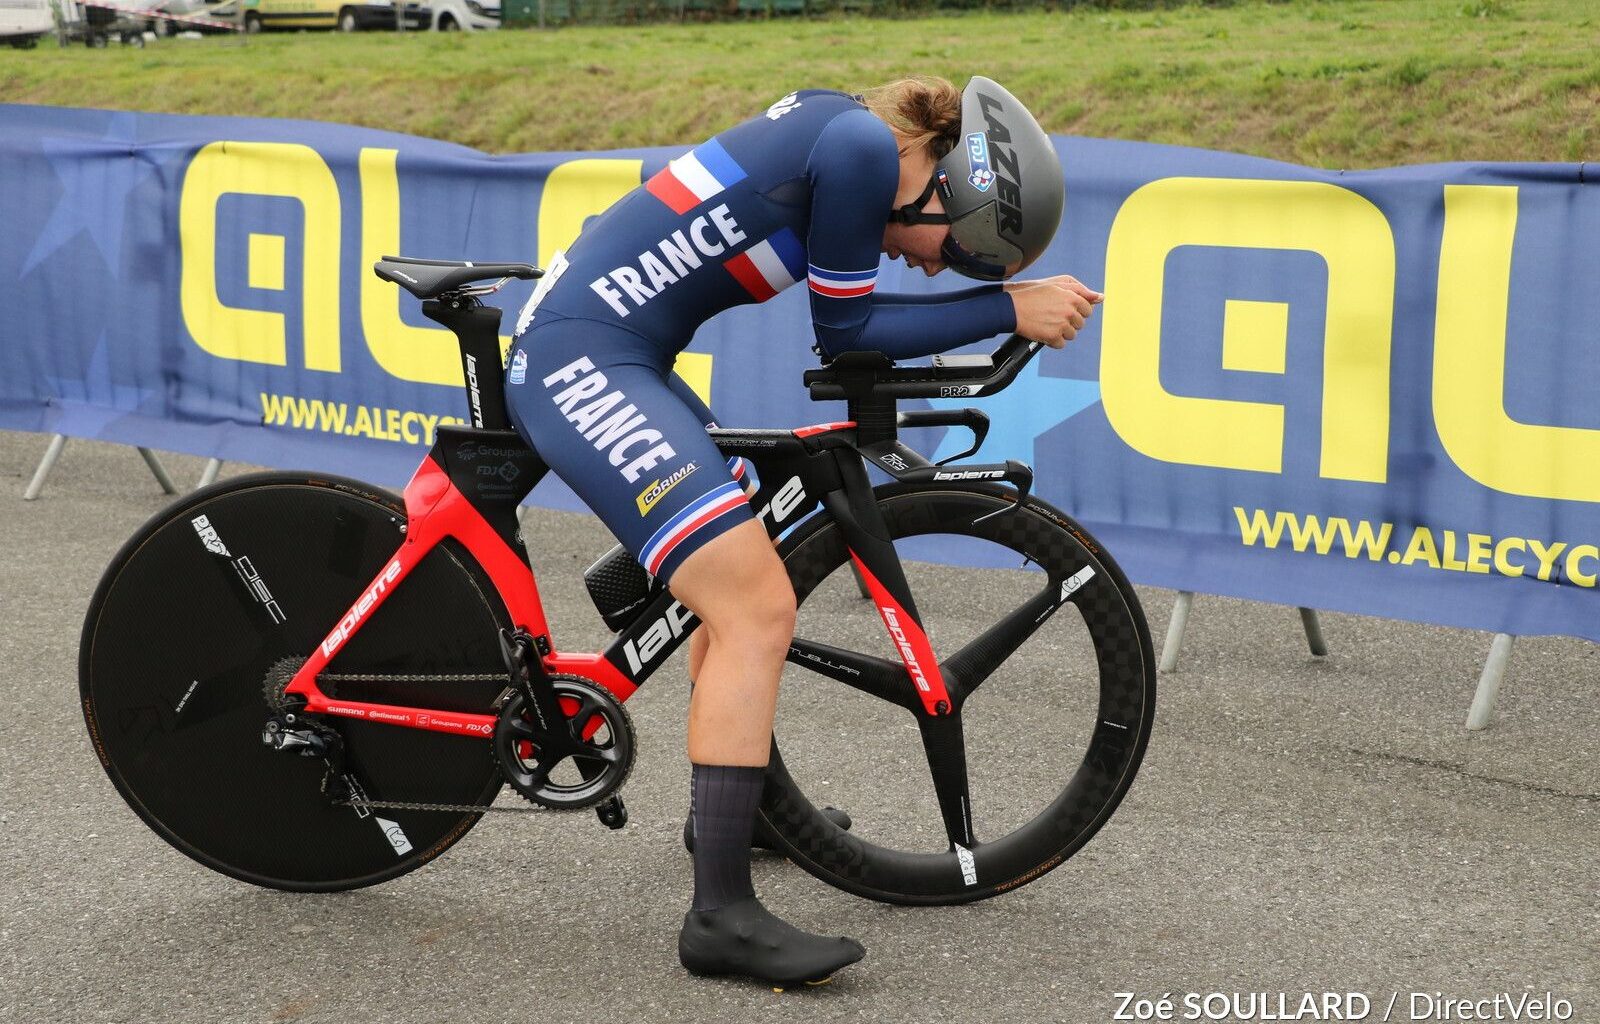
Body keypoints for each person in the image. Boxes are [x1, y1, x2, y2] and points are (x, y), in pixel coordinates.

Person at [504, 75, 1102, 988]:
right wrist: (1008, 309)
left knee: (741, 565)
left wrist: (998, 302)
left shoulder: (852, 135)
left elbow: (849, 330)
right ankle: (720, 917)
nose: (942, 268)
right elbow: (848, 328)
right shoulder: (863, 152)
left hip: (616, 349)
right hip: (584, 356)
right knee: (754, 607)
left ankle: (729, 816)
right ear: (941, 182)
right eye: (964, 249)